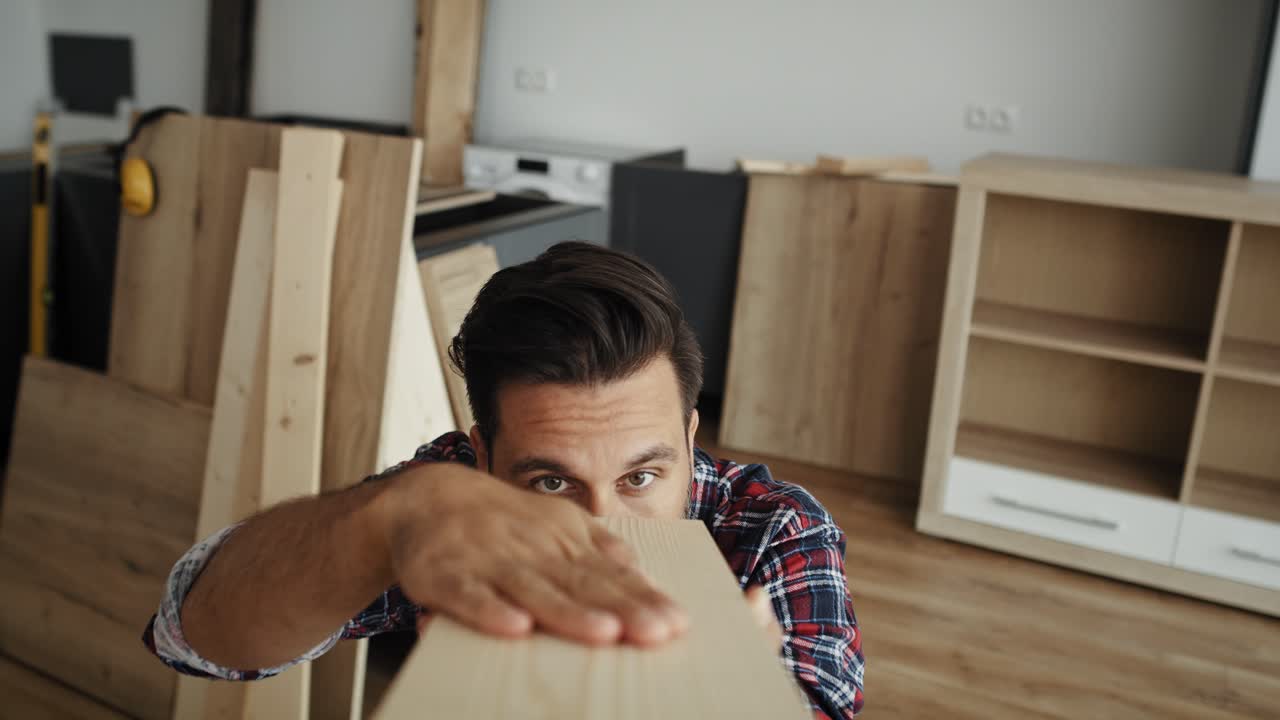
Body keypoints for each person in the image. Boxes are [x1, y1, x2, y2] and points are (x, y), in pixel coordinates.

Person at [144, 241, 864, 717]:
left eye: (642, 476)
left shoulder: (777, 527)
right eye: (551, 484)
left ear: (690, 438)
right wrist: (379, 526)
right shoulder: (447, 504)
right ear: (482, 457)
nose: (602, 525)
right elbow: (188, 636)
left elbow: (825, 702)